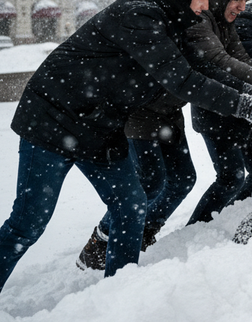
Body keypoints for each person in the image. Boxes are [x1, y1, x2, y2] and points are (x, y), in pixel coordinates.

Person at [0, 0, 252, 311]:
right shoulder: (138, 16)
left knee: (131, 207)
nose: (205, 5)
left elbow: (207, 65)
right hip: (54, 119)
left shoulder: (178, 18)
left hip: (102, 126)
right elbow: (183, 80)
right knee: (28, 222)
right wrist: (244, 106)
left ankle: (116, 299)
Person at [186, 0, 252, 225]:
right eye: (239, 0)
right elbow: (220, 62)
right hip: (213, 110)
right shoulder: (201, 20)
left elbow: (242, 58)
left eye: (247, 2)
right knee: (230, 176)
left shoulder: (225, 21)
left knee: (236, 176)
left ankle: (214, 223)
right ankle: (197, 227)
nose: (242, 7)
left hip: (230, 111)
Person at [76, 91, 199, 270]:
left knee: (183, 179)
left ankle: (145, 231)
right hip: (140, 113)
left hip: (170, 113)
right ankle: (100, 240)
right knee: (148, 183)